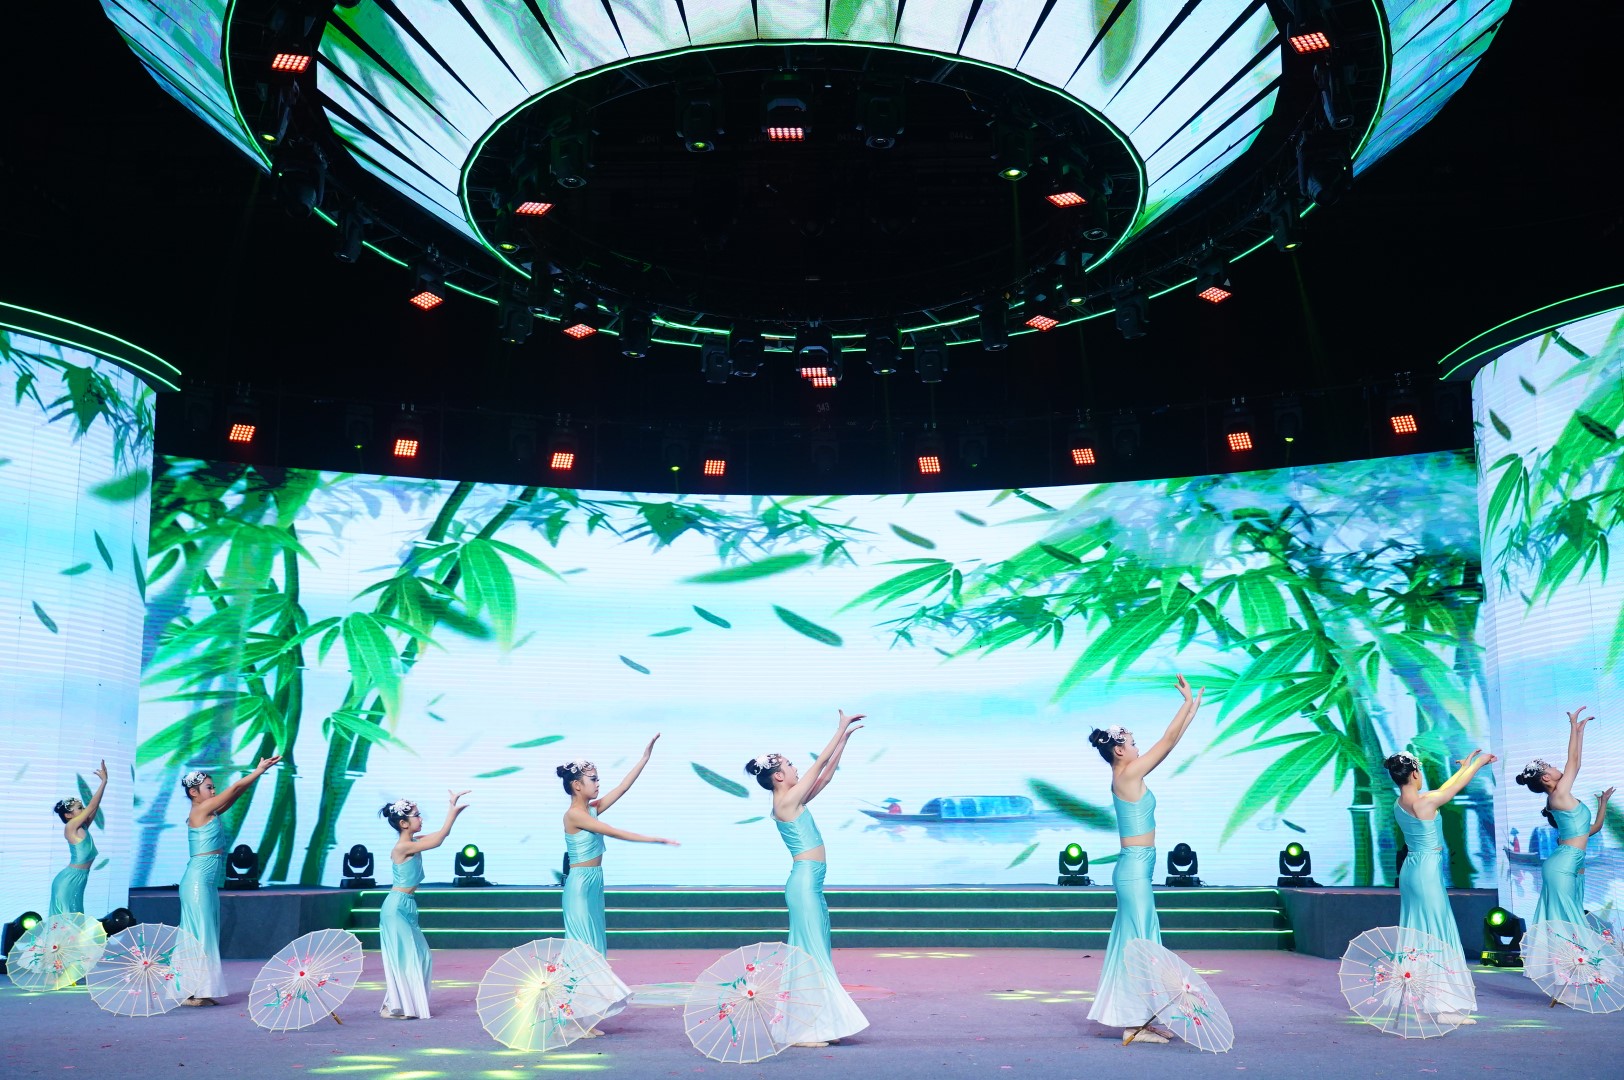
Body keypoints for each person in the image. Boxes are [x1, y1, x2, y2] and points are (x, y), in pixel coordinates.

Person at [1085, 675, 1202, 1044]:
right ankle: (1134, 1024)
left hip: (1137, 869)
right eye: (1133, 743)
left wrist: (1191, 710)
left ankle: (1140, 1018)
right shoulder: (1127, 774)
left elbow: (1171, 741)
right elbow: (1166, 743)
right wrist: (1185, 705)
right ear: (1120, 751)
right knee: (1142, 947)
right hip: (1134, 870)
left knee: (1142, 944)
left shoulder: (1128, 772)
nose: (1138, 747)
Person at [744, 711, 870, 1047]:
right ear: (778, 776)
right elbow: (819, 765)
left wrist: (844, 740)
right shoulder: (785, 801)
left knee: (815, 954)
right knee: (809, 956)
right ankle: (802, 1030)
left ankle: (817, 1024)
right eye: (789, 764)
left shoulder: (791, 799)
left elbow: (824, 777)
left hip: (810, 885)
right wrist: (839, 729)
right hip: (803, 885)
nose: (795, 767)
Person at [558, 736, 678, 1034]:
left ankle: (581, 1016)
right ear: (577, 785)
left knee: (594, 949)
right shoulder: (575, 815)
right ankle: (568, 1017)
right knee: (582, 950)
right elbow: (612, 832)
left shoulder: (591, 809)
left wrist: (644, 758)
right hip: (580, 887)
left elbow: (622, 787)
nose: (598, 783)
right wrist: (654, 839)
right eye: (593, 779)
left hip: (593, 883)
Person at [1384, 749, 1497, 1024]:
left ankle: (1422, 1005)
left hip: (1411, 870)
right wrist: (1479, 763)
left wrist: (1464, 767)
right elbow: (1452, 790)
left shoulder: (1400, 803)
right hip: (1425, 873)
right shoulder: (1425, 802)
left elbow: (1445, 790)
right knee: (1437, 932)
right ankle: (1445, 1007)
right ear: (1415, 773)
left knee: (1419, 934)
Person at [178, 755, 280, 1005]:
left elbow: (235, 794)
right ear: (193, 792)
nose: (214, 791)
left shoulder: (210, 810)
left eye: (213, 787)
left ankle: (200, 989)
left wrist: (255, 778)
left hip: (206, 883)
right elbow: (233, 788)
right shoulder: (200, 810)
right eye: (208, 787)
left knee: (205, 934)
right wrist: (259, 770)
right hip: (196, 882)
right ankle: (192, 991)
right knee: (199, 934)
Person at [377, 790, 469, 1019]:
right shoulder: (402, 847)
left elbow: (440, 835)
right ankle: (392, 1007)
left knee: (422, 956)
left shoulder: (414, 842)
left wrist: (452, 808)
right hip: (395, 907)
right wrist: (452, 812)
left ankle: (403, 1004)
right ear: (403, 823)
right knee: (404, 958)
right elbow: (438, 839)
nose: (420, 819)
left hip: (407, 905)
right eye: (416, 816)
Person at [1514, 707, 1605, 932]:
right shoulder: (1558, 795)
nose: (1556, 768)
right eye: (1551, 767)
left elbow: (1589, 830)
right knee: (1569, 925)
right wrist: (1574, 727)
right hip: (1563, 866)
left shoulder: (1560, 796)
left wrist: (1579, 732)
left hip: (1571, 863)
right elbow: (1573, 762)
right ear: (1546, 777)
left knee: (1571, 925)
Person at [49, 760, 108, 916]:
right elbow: (91, 806)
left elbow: (94, 806)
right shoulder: (70, 827)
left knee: (76, 920)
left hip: (79, 880)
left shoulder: (83, 827)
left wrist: (104, 784)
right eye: (80, 808)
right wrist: (103, 782)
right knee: (66, 922)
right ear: (68, 815)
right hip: (67, 881)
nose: (84, 809)